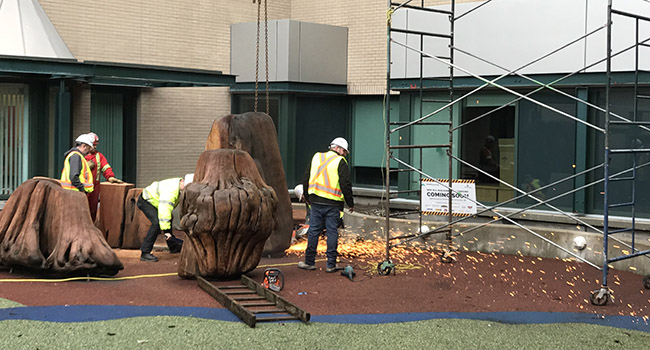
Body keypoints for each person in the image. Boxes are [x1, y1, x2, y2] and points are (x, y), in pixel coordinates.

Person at [297, 137, 354, 272]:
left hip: (316, 202)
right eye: (344, 151)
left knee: (313, 231)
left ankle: (309, 262)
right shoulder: (341, 162)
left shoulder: (317, 157)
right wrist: (350, 203)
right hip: (333, 204)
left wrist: (307, 196)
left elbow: (306, 177)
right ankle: (331, 265)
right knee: (332, 232)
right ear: (339, 149)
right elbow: (346, 185)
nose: (345, 154)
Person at [137, 174, 193, 262]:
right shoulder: (171, 191)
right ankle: (145, 252)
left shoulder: (179, 186)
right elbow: (164, 209)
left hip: (156, 201)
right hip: (147, 201)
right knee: (157, 223)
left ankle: (173, 246)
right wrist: (166, 231)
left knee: (167, 219)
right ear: (182, 181)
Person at [84, 132, 123, 221]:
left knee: (93, 209)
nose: (95, 147)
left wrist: (110, 177)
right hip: (82, 187)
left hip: (94, 187)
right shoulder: (80, 155)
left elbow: (105, 167)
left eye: (96, 145)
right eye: (93, 145)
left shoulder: (99, 156)